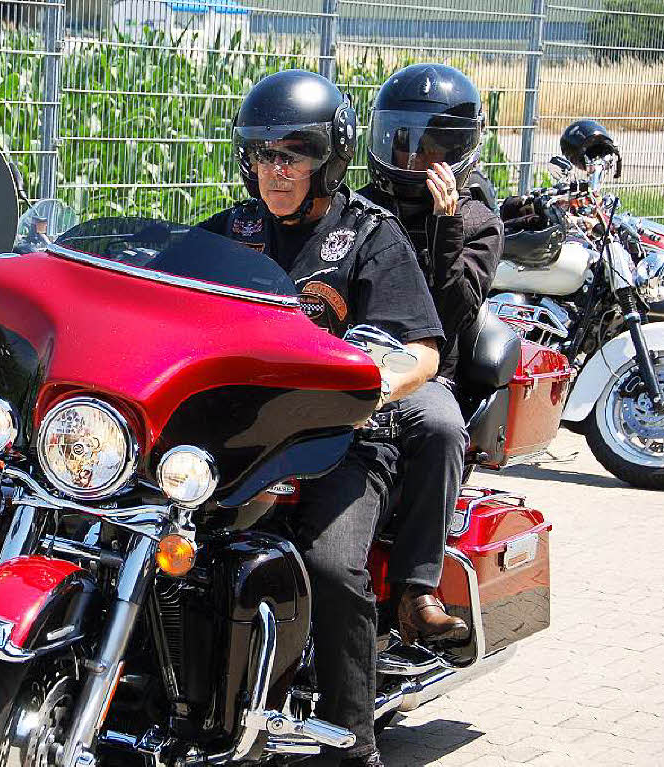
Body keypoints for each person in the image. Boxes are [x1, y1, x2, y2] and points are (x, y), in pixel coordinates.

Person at [199, 69, 445, 767]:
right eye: (261, 154)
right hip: (233, 436)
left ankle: (351, 742)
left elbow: (421, 351)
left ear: (328, 159)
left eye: (292, 155)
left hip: (341, 440)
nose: (274, 172)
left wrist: (370, 385)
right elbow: (159, 288)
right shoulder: (229, 233)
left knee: (334, 567)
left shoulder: (370, 235)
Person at [358, 63, 503, 645]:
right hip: (348, 358)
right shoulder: (361, 205)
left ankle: (417, 591)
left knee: (442, 427)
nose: (414, 158)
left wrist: (444, 232)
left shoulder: (476, 220)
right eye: (402, 141)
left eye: (431, 146)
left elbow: (454, 314)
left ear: (459, 151)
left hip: (426, 367)